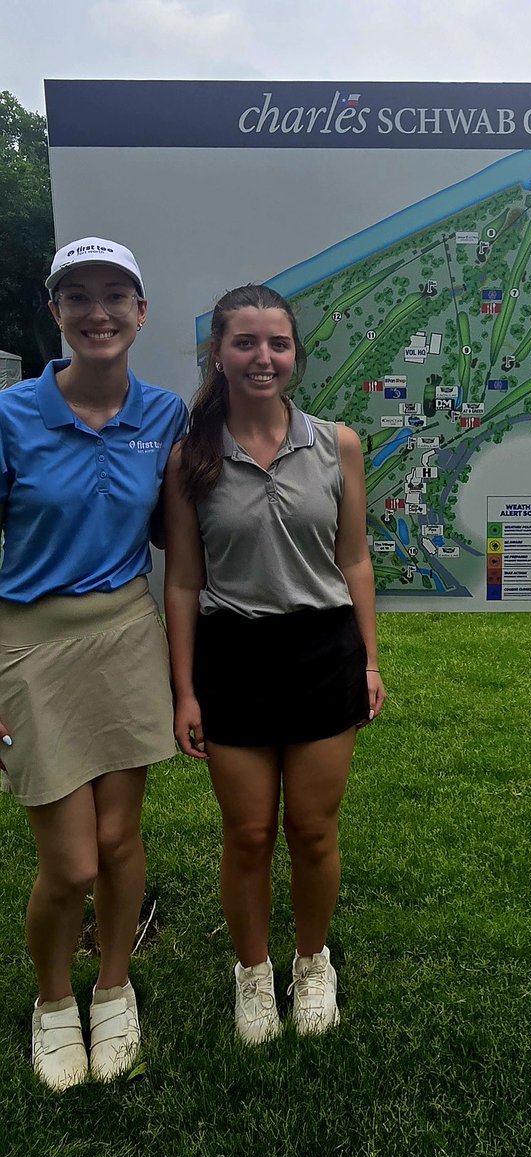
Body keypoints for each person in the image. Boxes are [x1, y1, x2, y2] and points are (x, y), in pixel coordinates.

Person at [163, 284, 384, 1046]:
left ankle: (312, 962)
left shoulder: (337, 445)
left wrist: (370, 662)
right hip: (234, 656)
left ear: (294, 354)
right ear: (217, 354)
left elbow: (353, 558)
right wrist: (185, 689)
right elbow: (184, 582)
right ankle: (253, 973)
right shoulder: (191, 456)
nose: (263, 358)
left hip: (324, 652)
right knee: (249, 834)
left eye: (277, 344)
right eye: (246, 343)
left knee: (314, 832)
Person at [0, 238, 188, 1090]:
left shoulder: (164, 417)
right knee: (69, 862)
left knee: (119, 842)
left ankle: (112, 989)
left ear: (142, 312)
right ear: (57, 314)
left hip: (124, 633)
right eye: (79, 296)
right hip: (30, 642)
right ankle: (51, 1003)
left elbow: (177, 542)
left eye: (117, 295)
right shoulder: (10, 417)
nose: (99, 312)